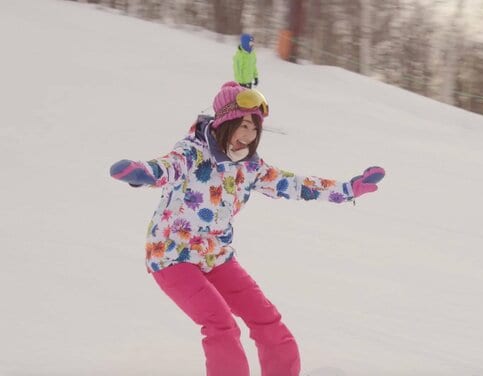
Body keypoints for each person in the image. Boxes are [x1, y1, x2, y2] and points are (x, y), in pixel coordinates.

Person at [109, 81, 385, 376]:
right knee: (221, 324)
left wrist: (347, 189)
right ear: (225, 123)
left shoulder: (249, 166)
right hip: (172, 256)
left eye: (255, 129)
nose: (249, 136)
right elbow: (167, 167)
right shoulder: (191, 153)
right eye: (243, 126)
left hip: (215, 255)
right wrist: (144, 174)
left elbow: (293, 184)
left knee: (266, 319)